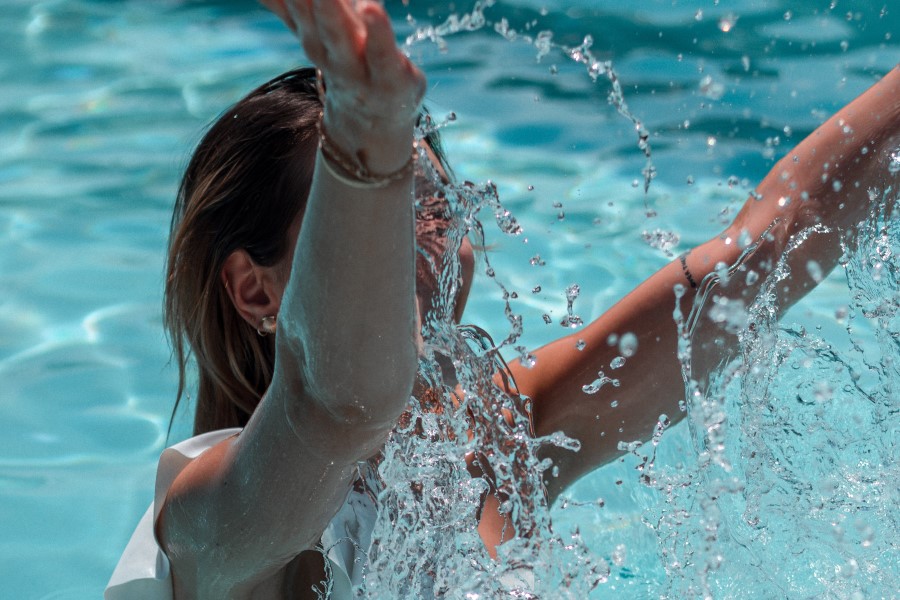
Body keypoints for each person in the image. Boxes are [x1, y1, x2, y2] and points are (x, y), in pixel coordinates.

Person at [105, 0, 900, 597]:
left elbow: (758, 262)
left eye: (431, 199)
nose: (415, 235)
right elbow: (335, 402)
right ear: (255, 290)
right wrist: (366, 136)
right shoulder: (210, 519)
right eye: (375, 209)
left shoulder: (497, 434)